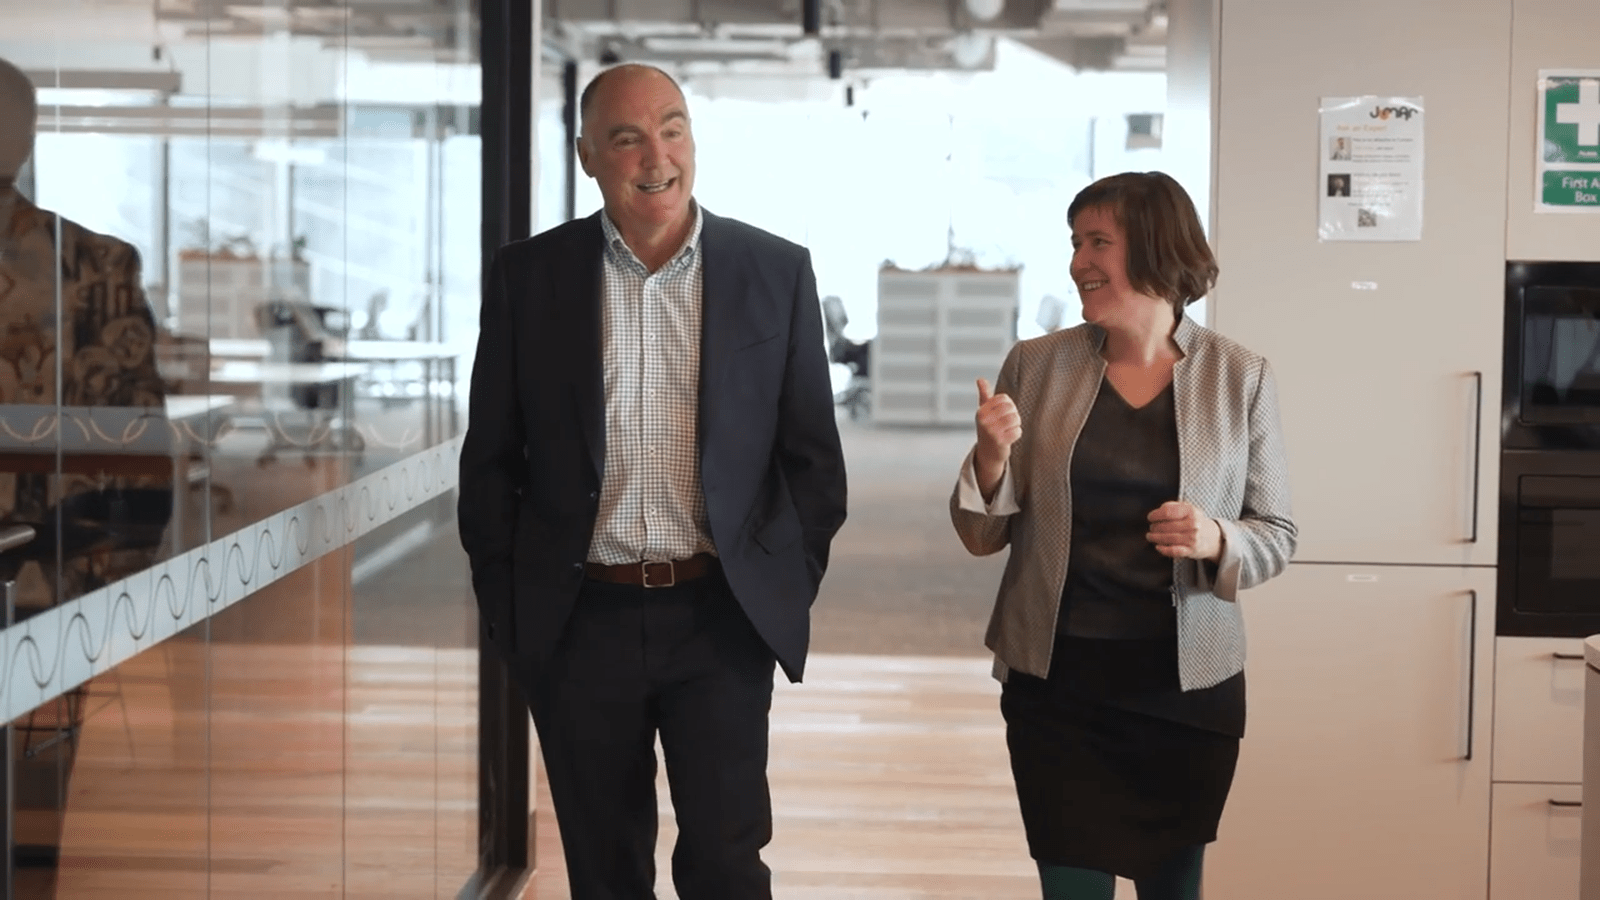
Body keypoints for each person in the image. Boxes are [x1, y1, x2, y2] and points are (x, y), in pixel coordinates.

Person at [457, 64, 847, 900]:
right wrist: (513, 609)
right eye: (627, 138)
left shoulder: (774, 270)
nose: (656, 156)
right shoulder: (530, 276)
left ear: (693, 139)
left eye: (671, 129)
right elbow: (490, 464)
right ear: (587, 156)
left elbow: (813, 461)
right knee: (604, 871)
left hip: (720, 617)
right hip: (578, 620)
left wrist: (777, 587)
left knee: (727, 864)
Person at [949, 171, 1295, 900]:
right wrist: (989, 459)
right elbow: (982, 536)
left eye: (1098, 242)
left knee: (1173, 889)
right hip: (1056, 688)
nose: (1078, 261)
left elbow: (1277, 533)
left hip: (1185, 692)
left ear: (1159, 248)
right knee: (1071, 888)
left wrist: (1216, 538)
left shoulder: (1240, 376)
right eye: (1075, 242)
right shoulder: (1035, 365)